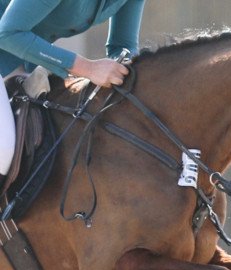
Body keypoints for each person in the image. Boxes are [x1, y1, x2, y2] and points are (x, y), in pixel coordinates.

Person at [0, 0, 146, 190]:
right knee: (4, 148)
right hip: (8, 43)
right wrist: (89, 68)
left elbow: (123, 48)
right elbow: (8, 33)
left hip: (21, 63)